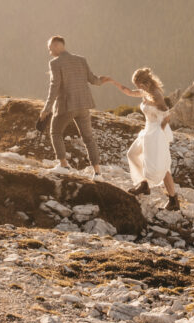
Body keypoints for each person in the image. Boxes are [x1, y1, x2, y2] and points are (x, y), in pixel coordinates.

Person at [105, 67, 180, 211]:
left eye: (137, 84)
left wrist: (160, 131)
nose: (136, 87)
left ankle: (173, 200)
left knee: (162, 167)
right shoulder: (144, 91)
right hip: (148, 130)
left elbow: (167, 115)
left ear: (144, 82)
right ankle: (144, 184)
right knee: (132, 154)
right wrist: (113, 82)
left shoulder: (156, 95)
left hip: (157, 132)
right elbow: (128, 92)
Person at [39, 35, 106, 180]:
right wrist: (103, 80)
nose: (49, 52)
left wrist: (47, 108)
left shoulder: (55, 63)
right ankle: (98, 172)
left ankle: (63, 165)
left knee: (55, 132)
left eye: (50, 48)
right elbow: (94, 80)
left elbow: (54, 87)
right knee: (88, 138)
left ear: (57, 45)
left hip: (67, 105)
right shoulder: (81, 60)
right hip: (84, 105)